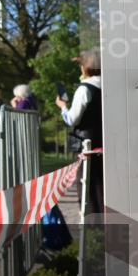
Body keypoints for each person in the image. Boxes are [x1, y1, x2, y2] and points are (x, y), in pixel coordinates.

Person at [56, 49, 103, 214]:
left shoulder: (84, 89)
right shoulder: (111, 85)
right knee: (104, 187)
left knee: (87, 186)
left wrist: (63, 107)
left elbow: (72, 119)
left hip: (89, 146)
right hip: (108, 142)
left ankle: (92, 230)